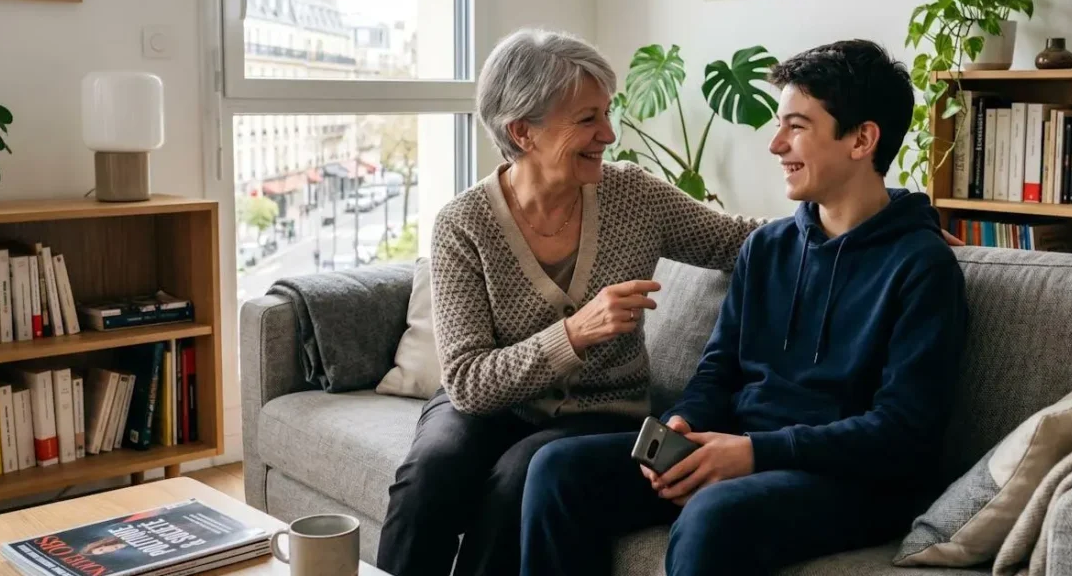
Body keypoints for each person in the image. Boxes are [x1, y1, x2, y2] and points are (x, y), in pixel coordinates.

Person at [520, 40, 971, 576]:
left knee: (715, 515)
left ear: (862, 139)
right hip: (742, 452)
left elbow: (903, 433)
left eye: (797, 126)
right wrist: (685, 425)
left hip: (856, 481)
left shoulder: (921, 266)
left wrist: (754, 453)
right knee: (556, 469)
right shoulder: (767, 247)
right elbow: (719, 370)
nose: (776, 144)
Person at [373, 28, 766, 576]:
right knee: (429, 475)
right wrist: (575, 333)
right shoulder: (463, 225)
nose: (608, 133)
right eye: (587, 119)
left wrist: (886, 216)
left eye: (607, 113)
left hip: (600, 412)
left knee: (519, 477)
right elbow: (466, 381)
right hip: (491, 404)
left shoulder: (636, 195)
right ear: (521, 131)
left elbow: (744, 239)